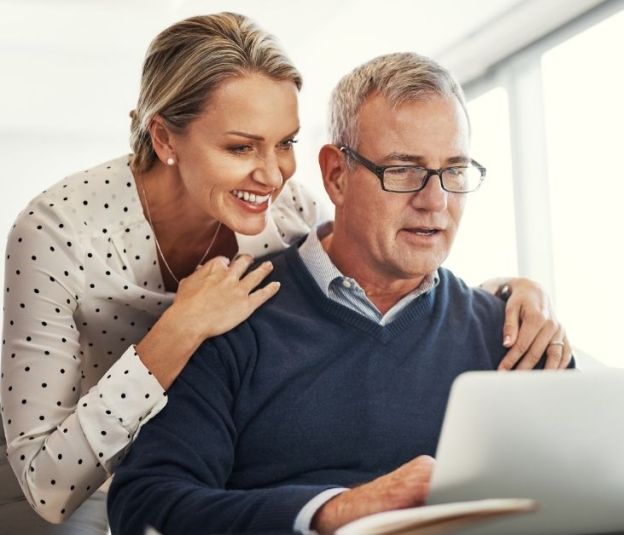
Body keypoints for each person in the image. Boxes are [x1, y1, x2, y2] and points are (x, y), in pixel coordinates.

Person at [0, 13, 571, 535]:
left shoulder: (284, 209)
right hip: (72, 483)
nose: (272, 175)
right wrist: (182, 329)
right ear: (164, 138)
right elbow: (58, 487)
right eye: (241, 145)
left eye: (285, 144)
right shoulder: (58, 234)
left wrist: (509, 295)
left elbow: (371, 254)